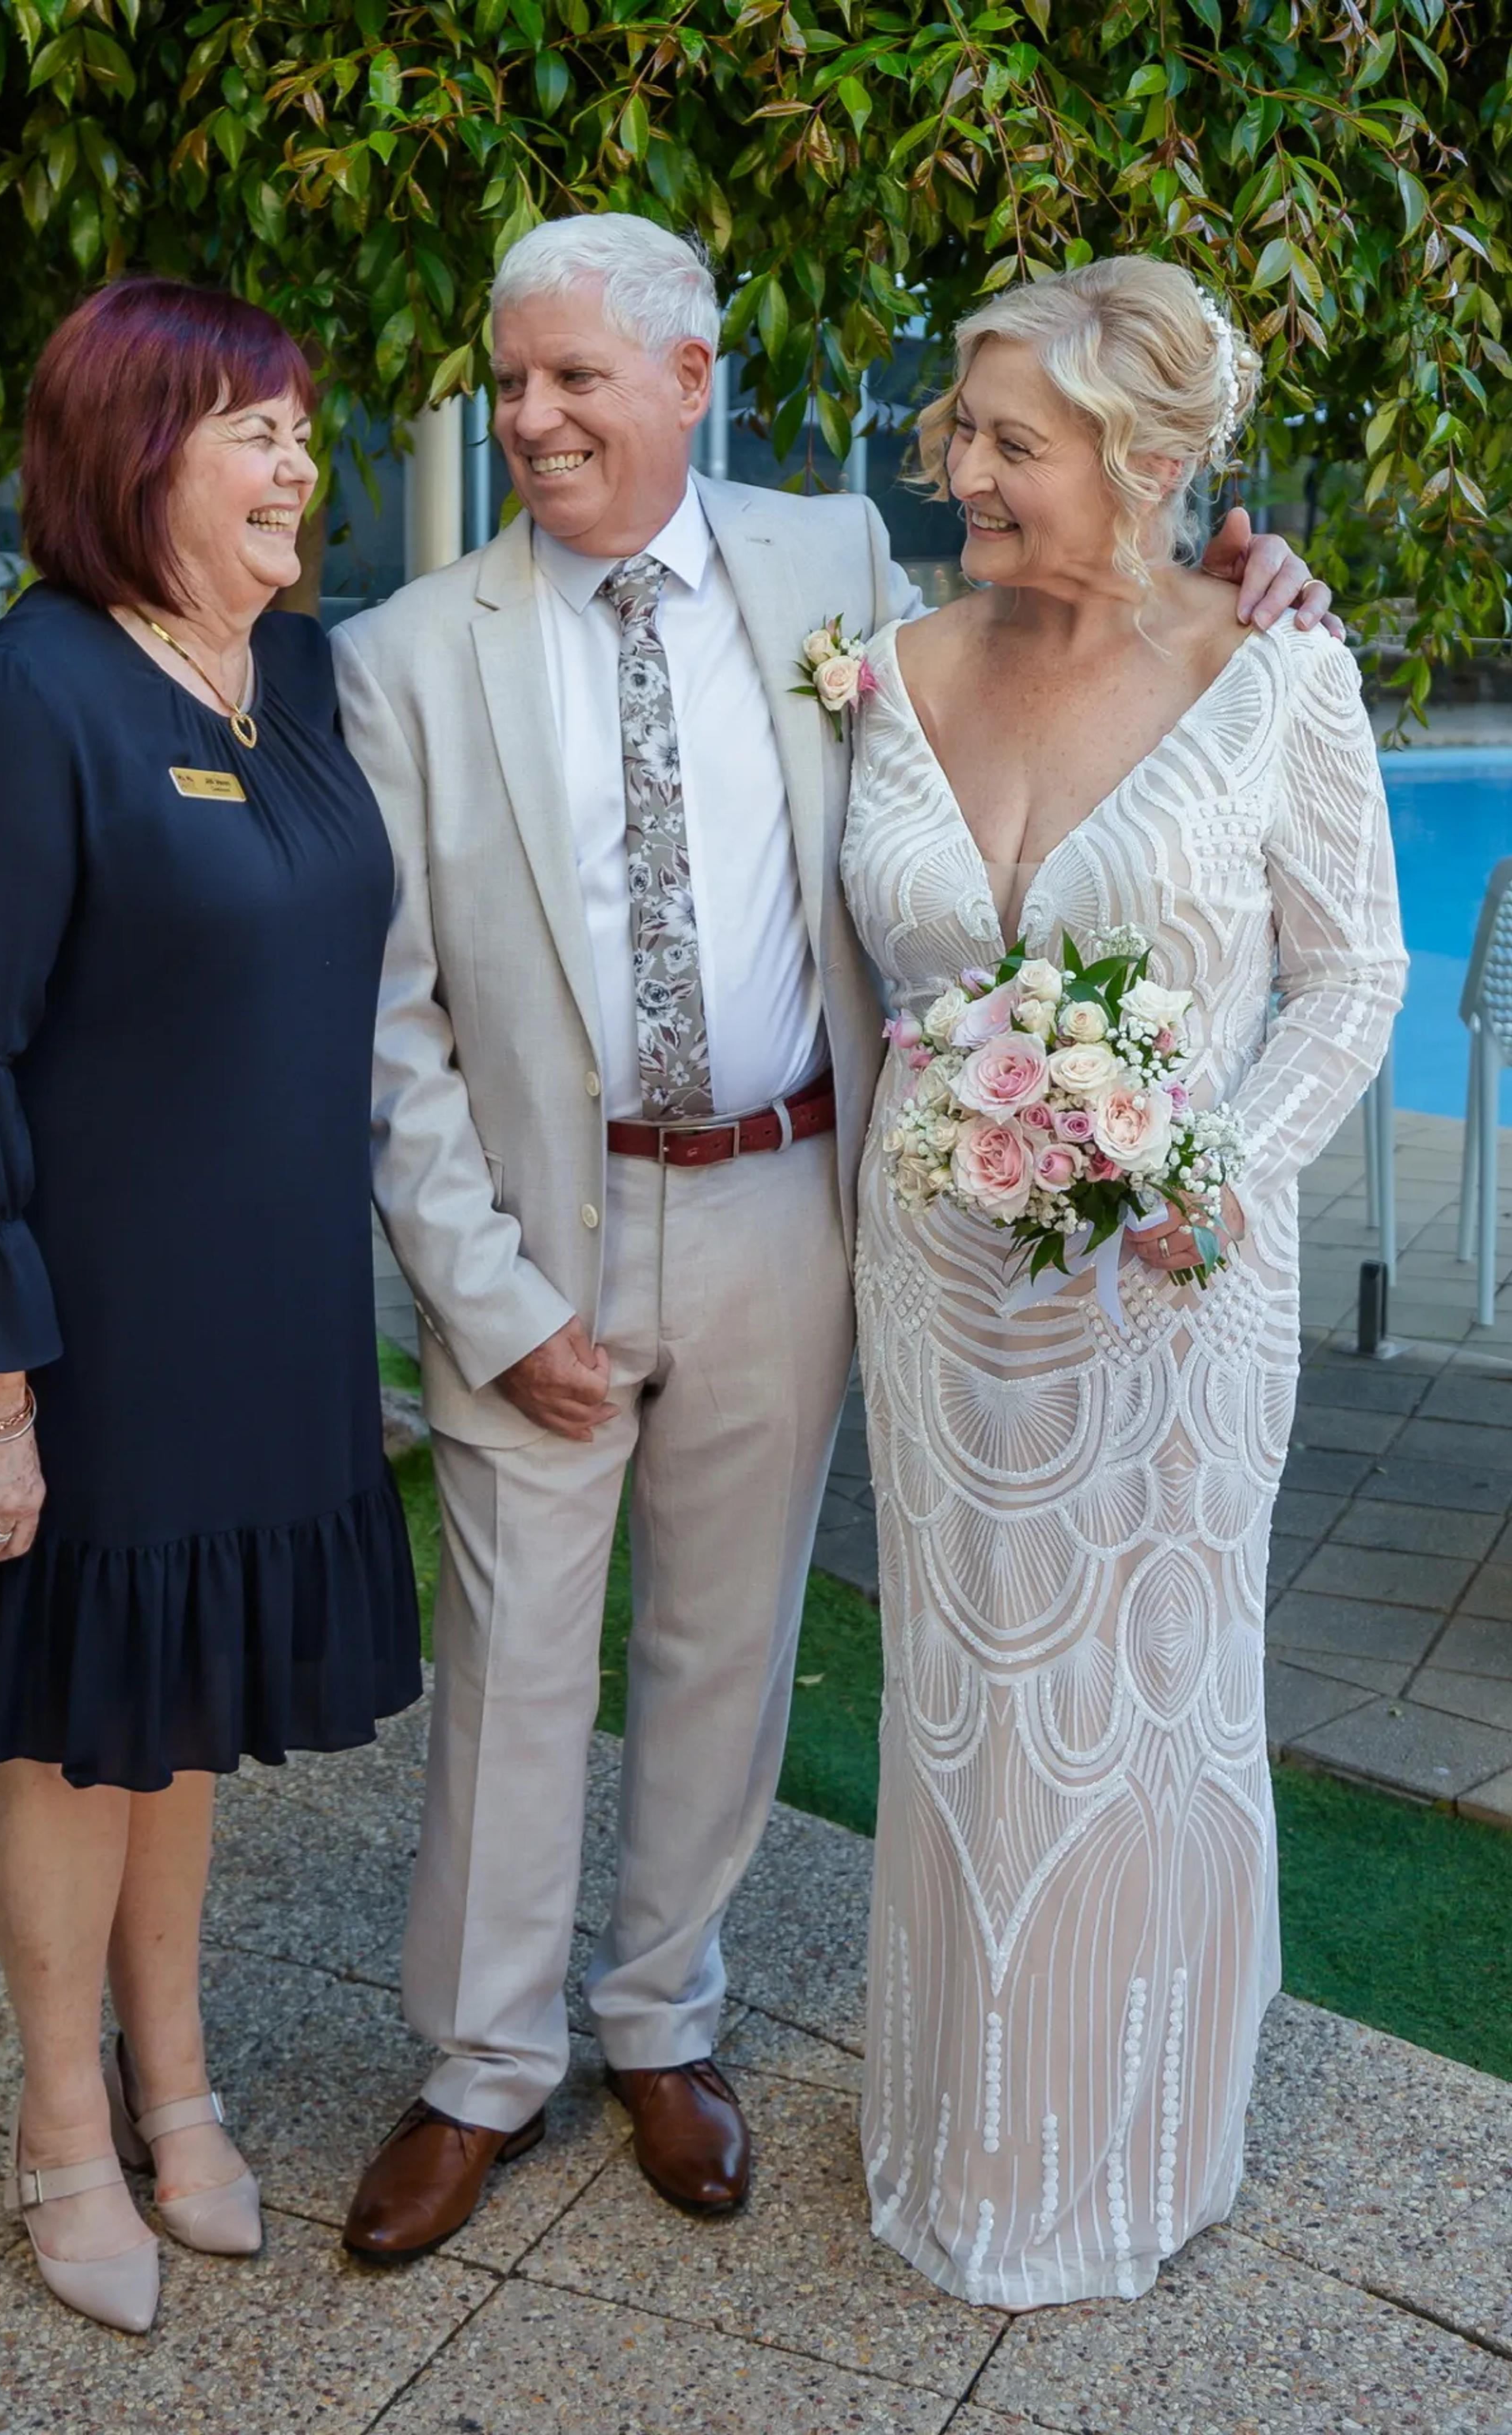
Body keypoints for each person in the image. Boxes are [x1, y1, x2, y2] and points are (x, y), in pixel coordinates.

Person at [329, 213, 1328, 2261]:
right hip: (536, 1222)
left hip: (794, 1201)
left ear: (691, 382)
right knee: (512, 1652)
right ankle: (482, 2064)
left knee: (731, 1640)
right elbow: (394, 1025)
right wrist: (484, 1292)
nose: (531, 418)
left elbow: (1095, 611)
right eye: (509, 384)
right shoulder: (405, 653)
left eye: (574, 378)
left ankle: (661, 2021)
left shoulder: (838, 571)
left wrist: (1254, 569)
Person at [0, 278, 421, 2333]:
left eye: (301, 428)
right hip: (81, 1333)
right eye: (255, 430)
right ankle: (60, 2123)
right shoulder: (22, 702)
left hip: (267, 1318)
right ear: (132, 453)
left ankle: (176, 2082)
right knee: (82, 1726)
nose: (299, 466)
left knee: (177, 1720)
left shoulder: (305, 676)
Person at [845, 257, 1405, 2308]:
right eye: (959, 430)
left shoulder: (1279, 677)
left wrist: (1214, 1174)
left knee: (1151, 1702)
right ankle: (964, 2129)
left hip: (1174, 1300)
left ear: (1151, 462)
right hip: (935, 1291)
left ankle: (1130, 2141)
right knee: (959, 1697)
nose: (962, 472)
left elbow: (1356, 974)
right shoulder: (883, 668)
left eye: (1013, 441)